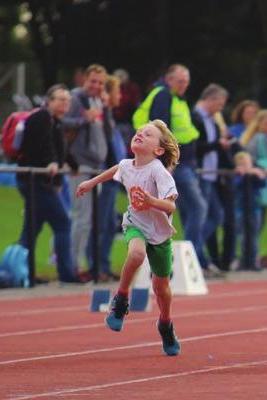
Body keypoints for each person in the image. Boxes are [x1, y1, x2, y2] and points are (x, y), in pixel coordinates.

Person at [75, 120, 182, 356]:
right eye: (138, 132)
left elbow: (170, 207)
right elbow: (116, 169)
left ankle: (165, 323)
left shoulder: (158, 171)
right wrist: (91, 182)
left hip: (160, 234)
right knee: (135, 253)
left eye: (148, 134)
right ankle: (121, 299)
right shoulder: (126, 164)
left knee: (161, 287)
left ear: (159, 150)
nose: (140, 134)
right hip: (135, 224)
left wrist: (151, 201)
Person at [133, 64, 209, 271]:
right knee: (196, 208)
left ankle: (174, 259)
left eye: (186, 82)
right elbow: (161, 129)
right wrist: (167, 162)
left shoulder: (176, 98)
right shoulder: (164, 96)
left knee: (177, 212)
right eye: (180, 81)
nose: (184, 85)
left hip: (184, 163)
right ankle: (190, 259)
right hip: (176, 164)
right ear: (169, 80)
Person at [17, 84, 80, 284]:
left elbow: (59, 148)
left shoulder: (56, 121)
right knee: (63, 223)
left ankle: (23, 273)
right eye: (60, 99)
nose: (65, 103)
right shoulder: (42, 117)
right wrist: (51, 163)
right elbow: (44, 145)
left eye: (67, 100)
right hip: (36, 181)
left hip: (40, 181)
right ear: (49, 101)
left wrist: (72, 164)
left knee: (32, 228)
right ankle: (66, 273)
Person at [62, 64, 108, 279]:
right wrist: (83, 119)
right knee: (82, 217)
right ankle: (72, 263)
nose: (96, 86)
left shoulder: (98, 101)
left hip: (96, 166)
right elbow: (60, 121)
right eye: (93, 81)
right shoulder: (76, 99)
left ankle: (75, 260)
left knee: (87, 218)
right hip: (79, 165)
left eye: (100, 83)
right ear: (84, 80)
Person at [86, 75, 127, 282]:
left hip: (114, 177)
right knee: (100, 223)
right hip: (106, 175)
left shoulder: (109, 115)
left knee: (110, 224)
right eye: (117, 92)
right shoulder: (103, 115)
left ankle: (103, 264)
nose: (120, 96)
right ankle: (95, 265)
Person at [192, 83, 232, 273]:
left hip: (211, 175)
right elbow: (196, 146)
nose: (221, 108)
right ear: (211, 99)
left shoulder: (211, 119)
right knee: (202, 214)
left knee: (216, 215)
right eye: (220, 103)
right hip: (200, 173)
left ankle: (195, 252)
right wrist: (217, 144)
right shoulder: (196, 117)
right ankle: (195, 255)